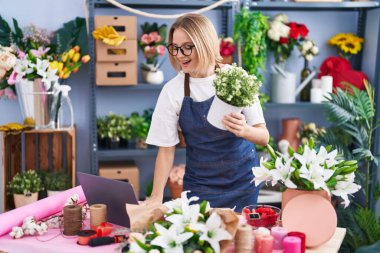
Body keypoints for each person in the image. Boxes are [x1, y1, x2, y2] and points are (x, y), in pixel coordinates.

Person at [145, 13, 269, 212]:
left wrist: (244, 130)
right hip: (200, 187)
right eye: (175, 48)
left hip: (243, 183)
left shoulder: (237, 78)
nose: (179, 54)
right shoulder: (173, 90)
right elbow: (166, 150)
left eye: (187, 47)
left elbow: (264, 137)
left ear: (205, 44)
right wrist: (156, 196)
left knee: (239, 241)